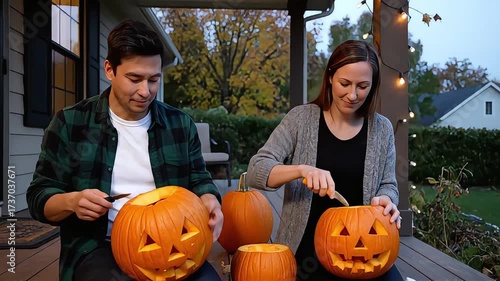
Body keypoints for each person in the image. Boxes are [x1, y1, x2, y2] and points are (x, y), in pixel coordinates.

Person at [26, 19, 223, 281]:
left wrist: (210, 200)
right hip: (100, 245)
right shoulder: (70, 123)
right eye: (135, 78)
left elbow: (200, 180)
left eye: (154, 79)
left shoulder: (179, 124)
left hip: (175, 242)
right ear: (110, 69)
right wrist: (72, 202)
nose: (146, 91)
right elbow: (40, 197)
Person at [246, 39, 404, 281]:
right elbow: (256, 170)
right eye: (345, 83)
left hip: (364, 250)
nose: (352, 95)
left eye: (362, 86)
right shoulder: (301, 119)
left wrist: (386, 199)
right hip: (307, 252)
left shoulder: (381, 129)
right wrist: (301, 170)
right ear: (330, 77)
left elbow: (388, 185)